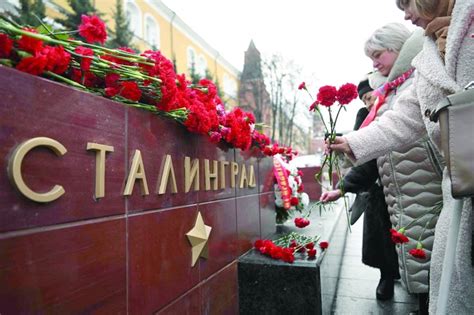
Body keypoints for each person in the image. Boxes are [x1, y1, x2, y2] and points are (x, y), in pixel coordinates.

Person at [328, 0, 474, 313]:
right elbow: (407, 117)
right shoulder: (429, 53)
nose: (406, 14)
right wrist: (353, 142)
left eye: (407, 2)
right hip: (460, 187)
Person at [321, 76, 400, 301]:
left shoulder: (398, 107)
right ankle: (386, 276)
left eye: (369, 97)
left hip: (405, 183)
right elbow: (362, 157)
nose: (367, 103)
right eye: (364, 99)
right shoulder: (365, 117)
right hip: (377, 186)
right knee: (383, 237)